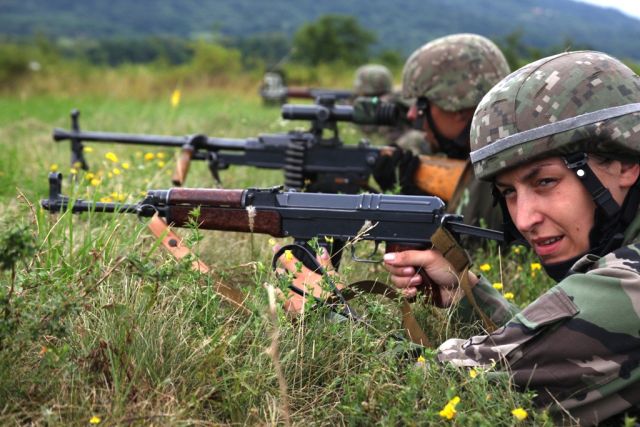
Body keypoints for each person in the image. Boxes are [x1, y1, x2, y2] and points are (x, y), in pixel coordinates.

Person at [384, 50, 640, 424]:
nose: (524, 219)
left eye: (546, 181)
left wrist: (324, 309)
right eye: (509, 192)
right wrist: (466, 294)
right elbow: (557, 352)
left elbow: (448, 389)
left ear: (625, 164)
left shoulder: (630, 284)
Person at [375, 34, 510, 230]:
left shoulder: (500, 168)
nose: (411, 114)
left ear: (457, 107)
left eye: (422, 103)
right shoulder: (503, 150)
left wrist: (413, 202)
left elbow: (474, 239)